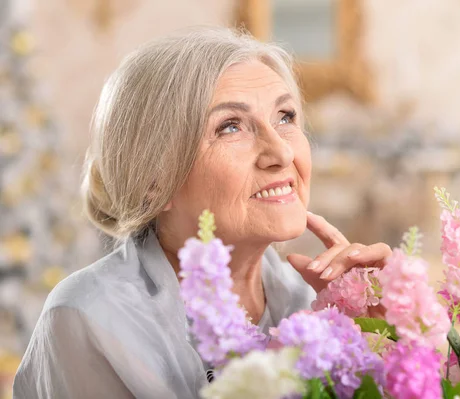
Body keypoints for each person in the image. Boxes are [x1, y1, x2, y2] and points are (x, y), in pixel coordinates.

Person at [13, 27, 391, 399]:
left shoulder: (316, 304)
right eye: (230, 127)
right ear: (154, 180)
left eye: (286, 117)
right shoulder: (89, 317)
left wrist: (381, 348)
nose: (283, 153)